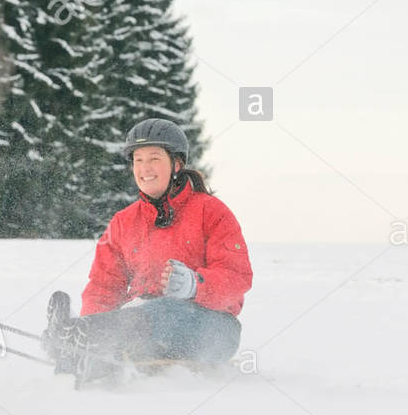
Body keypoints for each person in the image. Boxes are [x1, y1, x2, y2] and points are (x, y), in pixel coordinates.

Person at [42, 118, 253, 382]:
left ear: (176, 164)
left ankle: (90, 337)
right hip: (140, 325)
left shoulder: (211, 211)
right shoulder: (123, 221)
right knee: (140, 316)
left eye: (154, 158)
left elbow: (237, 278)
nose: (145, 168)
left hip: (212, 329)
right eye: (138, 160)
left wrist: (194, 285)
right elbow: (104, 286)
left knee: (166, 311)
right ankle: (84, 345)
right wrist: (93, 319)